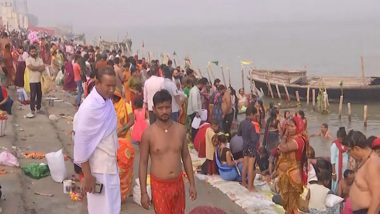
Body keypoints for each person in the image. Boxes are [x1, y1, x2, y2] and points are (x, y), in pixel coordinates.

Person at [139, 89, 197, 214]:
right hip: (159, 185)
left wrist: (192, 184)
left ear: (172, 107)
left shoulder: (180, 130)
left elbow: (186, 157)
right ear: (154, 109)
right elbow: (143, 163)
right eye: (160, 108)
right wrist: (143, 192)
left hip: (178, 183)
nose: (164, 111)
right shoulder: (148, 134)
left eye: (167, 107)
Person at [73, 66, 121, 214]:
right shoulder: (90, 107)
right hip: (98, 170)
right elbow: (81, 144)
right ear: (97, 83)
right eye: (108, 86)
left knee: (112, 209)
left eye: (114, 86)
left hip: (110, 164)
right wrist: (87, 176)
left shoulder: (105, 102)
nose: (112, 90)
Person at [276, 115, 308, 214]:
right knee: (288, 203)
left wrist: (284, 136)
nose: (289, 128)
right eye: (288, 126)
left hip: (293, 175)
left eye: (292, 126)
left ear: (298, 127)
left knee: (292, 203)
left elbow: (282, 148)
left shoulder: (298, 140)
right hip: (287, 173)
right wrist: (285, 135)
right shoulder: (292, 138)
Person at [343, 130, 380, 214]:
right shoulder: (364, 161)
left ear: (357, 148)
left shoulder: (372, 164)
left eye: (349, 151)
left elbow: (377, 197)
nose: (348, 154)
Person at [238, 104, 260, 191]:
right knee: (251, 167)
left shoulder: (242, 123)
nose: (255, 117)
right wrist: (258, 134)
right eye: (255, 115)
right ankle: (250, 186)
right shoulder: (252, 125)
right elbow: (255, 139)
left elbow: (239, 133)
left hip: (245, 145)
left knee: (245, 165)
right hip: (251, 147)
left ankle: (243, 182)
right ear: (251, 114)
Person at [25, 45, 45, 116]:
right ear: (29, 52)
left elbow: (43, 67)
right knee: (33, 96)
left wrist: (36, 68)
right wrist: (38, 68)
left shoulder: (40, 59)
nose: (33, 53)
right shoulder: (28, 59)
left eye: (34, 51)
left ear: (36, 51)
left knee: (39, 95)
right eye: (32, 51)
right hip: (32, 81)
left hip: (39, 81)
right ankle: (32, 109)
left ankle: (38, 108)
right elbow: (31, 67)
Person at [330, 127, 349, 193]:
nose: (339, 139)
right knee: (336, 183)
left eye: (341, 138)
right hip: (337, 169)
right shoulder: (334, 145)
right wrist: (333, 173)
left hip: (345, 168)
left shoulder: (347, 144)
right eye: (338, 138)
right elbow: (332, 160)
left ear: (344, 137)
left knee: (345, 181)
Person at [263, 108, 281, 174]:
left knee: (270, 156)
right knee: (275, 155)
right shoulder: (277, 121)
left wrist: (263, 143)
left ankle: (270, 172)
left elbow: (266, 130)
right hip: (274, 138)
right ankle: (274, 171)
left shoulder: (268, 120)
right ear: (276, 114)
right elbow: (280, 131)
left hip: (269, 138)